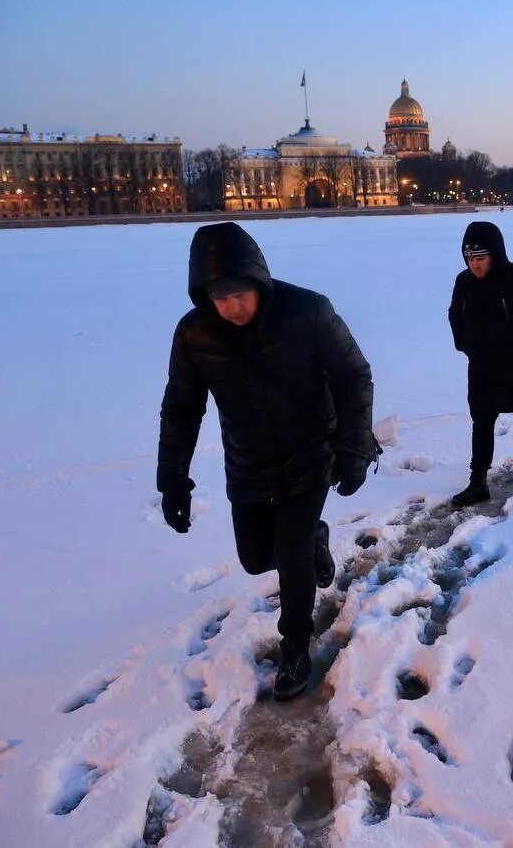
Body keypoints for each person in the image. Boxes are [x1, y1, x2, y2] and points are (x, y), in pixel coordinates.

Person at [157, 222, 377, 702]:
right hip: (249, 462)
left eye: (240, 295)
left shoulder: (308, 311)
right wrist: (172, 478)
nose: (233, 308)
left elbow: (354, 375)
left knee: (291, 559)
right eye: (220, 298)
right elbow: (181, 405)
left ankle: (296, 648)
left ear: (259, 282)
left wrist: (354, 448)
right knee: (258, 557)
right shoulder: (194, 334)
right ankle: (317, 538)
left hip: (311, 451)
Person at [448, 221, 513, 506]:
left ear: (495, 254)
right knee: (481, 421)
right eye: (470, 259)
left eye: (480, 259)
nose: (475, 266)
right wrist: (465, 344)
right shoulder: (464, 282)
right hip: (482, 366)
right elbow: (455, 314)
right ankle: (478, 481)